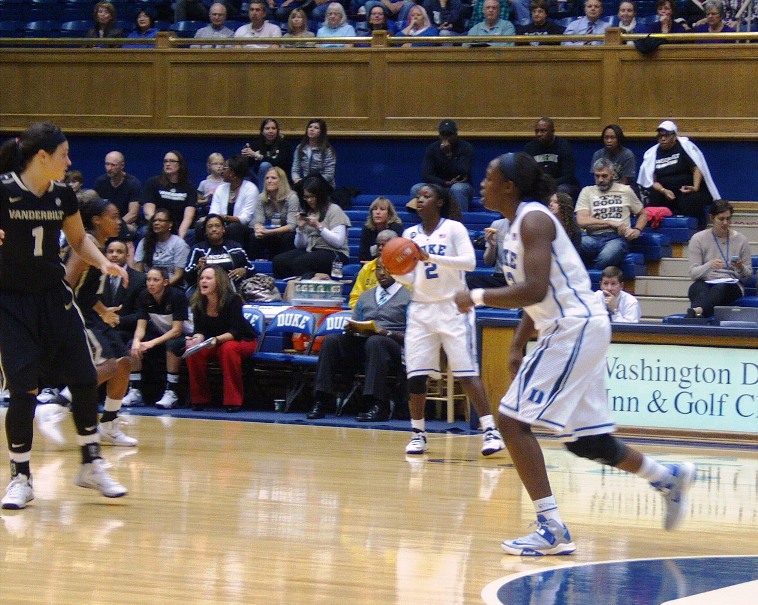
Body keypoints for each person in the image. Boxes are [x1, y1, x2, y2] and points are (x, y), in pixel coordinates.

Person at [454, 151, 696, 555]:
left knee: (510, 422)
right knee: (587, 442)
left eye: (490, 176)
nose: (482, 183)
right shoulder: (516, 225)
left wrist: (475, 296)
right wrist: (516, 344)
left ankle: (551, 529)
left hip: (574, 327)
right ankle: (666, 477)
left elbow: (533, 290)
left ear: (509, 186)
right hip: (571, 327)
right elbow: (540, 294)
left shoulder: (533, 220)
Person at [0, 122, 129, 509]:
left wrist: (103, 262)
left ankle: (90, 463)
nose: (69, 161)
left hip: (55, 299)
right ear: (42, 157)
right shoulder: (4, 190)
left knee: (85, 377)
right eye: (64, 154)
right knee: (24, 391)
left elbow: (77, 239)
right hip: (11, 303)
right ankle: (21, 477)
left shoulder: (62, 195)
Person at [390, 184, 505, 457]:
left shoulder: (454, 229)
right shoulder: (409, 234)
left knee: (466, 372)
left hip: (453, 307)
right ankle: (418, 433)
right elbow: (410, 277)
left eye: (426, 196)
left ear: (439, 201)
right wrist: (394, 269)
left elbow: (469, 263)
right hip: (421, 310)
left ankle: (490, 431)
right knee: (415, 375)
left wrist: (431, 256)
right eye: (418, 196)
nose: (420, 200)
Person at [36, 198, 139, 448]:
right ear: (96, 220)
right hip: (73, 315)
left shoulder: (99, 246)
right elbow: (66, 284)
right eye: (113, 217)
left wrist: (103, 311)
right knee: (109, 366)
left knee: (125, 363)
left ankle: (109, 424)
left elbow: (87, 292)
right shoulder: (86, 244)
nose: (118, 221)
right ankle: (54, 408)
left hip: (91, 315)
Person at [308, 259, 412, 421]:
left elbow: (413, 336)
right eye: (378, 269)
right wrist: (352, 329)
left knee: (376, 341)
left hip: (394, 346)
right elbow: (356, 323)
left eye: (387, 269)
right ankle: (321, 399)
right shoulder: (366, 296)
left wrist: (385, 332)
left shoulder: (409, 297)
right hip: (365, 343)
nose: (382, 273)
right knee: (331, 341)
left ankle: (377, 404)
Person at [185, 266, 258, 412]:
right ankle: (199, 399)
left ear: (219, 281)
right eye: (201, 278)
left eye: (208, 278)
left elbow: (236, 331)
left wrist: (216, 340)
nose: (203, 281)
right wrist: (195, 340)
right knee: (193, 351)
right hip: (213, 342)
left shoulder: (233, 299)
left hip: (243, 340)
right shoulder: (198, 302)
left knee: (228, 348)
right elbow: (200, 331)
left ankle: (233, 400)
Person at [124, 267, 191, 409]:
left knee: (172, 345)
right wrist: (137, 341)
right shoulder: (144, 295)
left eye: (155, 280)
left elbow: (177, 330)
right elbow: (141, 326)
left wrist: (151, 343)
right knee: (132, 345)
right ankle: (135, 391)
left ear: (165, 282)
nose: (151, 283)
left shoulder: (177, 296)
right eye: (148, 280)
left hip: (185, 336)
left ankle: (172, 392)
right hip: (160, 334)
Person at [638, 120, 719, 229]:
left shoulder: (684, 148)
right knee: (653, 195)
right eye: (660, 136)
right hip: (665, 191)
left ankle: (696, 229)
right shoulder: (653, 153)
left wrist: (695, 187)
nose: (663, 139)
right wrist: (663, 190)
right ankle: (657, 228)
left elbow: (697, 169)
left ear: (674, 136)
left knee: (693, 199)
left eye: (666, 135)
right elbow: (652, 181)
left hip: (685, 190)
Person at [272, 175, 351, 278]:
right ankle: (290, 283)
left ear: (320, 195)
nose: (309, 200)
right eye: (306, 197)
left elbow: (338, 242)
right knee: (279, 261)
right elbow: (300, 245)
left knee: (301, 262)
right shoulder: (309, 212)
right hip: (312, 250)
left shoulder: (334, 210)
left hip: (335, 252)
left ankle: (313, 280)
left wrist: (319, 226)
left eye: (312, 196)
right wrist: (300, 229)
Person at [576, 158, 647, 270]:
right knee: (573, 244)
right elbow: (581, 220)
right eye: (597, 176)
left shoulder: (625, 190)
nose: (600, 180)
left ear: (613, 175)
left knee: (608, 256)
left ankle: (594, 275)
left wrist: (637, 230)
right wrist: (610, 223)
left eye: (604, 176)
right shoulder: (587, 191)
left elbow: (643, 214)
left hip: (617, 238)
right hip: (592, 237)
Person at [686, 200, 752, 318]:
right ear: (712, 218)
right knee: (696, 289)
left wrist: (740, 267)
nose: (725, 223)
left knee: (721, 289)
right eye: (721, 219)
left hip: (731, 283)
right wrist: (709, 265)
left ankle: (697, 311)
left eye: (728, 219)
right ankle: (698, 315)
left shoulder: (741, 240)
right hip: (706, 281)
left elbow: (747, 277)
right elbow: (693, 274)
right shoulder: (698, 239)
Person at [410, 120, 474, 212]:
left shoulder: (466, 147)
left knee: (458, 189)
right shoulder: (432, 148)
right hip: (439, 185)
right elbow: (426, 175)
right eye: (443, 135)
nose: (446, 138)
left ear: (456, 134)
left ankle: (460, 219)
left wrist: (449, 155)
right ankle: (421, 219)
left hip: (461, 185)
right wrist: (445, 183)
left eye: (449, 135)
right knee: (416, 188)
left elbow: (463, 171)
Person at [185, 213, 256, 291]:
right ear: (205, 231)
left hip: (232, 289)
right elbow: (187, 275)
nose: (214, 229)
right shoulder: (198, 249)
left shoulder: (235, 247)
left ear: (223, 229)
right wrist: (197, 268)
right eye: (210, 226)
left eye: (217, 226)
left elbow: (251, 268)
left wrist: (244, 271)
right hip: (204, 290)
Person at [142, 150, 197, 241]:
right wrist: (159, 225)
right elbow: (149, 213)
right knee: (144, 230)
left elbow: (188, 216)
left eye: (172, 161)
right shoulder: (152, 183)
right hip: (158, 225)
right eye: (165, 161)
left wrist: (180, 236)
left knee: (191, 234)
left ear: (180, 165)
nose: (167, 164)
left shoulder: (189, 187)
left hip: (179, 226)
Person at [101, 238, 147, 344]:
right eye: (110, 251)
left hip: (126, 331)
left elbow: (142, 313)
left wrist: (118, 320)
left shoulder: (140, 279)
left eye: (119, 252)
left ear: (127, 255)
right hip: (101, 327)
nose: (114, 255)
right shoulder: (98, 277)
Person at [207, 155, 259, 246]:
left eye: (225, 168)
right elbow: (213, 212)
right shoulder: (221, 188)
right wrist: (218, 222)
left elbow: (245, 219)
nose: (222, 170)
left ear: (232, 173)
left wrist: (224, 218)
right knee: (201, 225)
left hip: (244, 228)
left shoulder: (251, 189)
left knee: (233, 228)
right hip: (221, 225)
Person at [522, 117, 579, 200]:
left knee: (563, 190)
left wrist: (549, 184)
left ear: (552, 131)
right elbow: (527, 173)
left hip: (560, 184)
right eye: (537, 131)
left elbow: (568, 176)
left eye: (543, 131)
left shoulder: (564, 146)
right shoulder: (529, 147)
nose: (539, 134)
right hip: (538, 185)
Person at [250, 166, 299, 260]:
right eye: (267, 178)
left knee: (288, 237)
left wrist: (269, 232)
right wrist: (258, 229)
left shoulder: (292, 197)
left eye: (273, 178)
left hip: (286, 232)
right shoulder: (261, 198)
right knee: (254, 236)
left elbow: (292, 225)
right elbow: (258, 221)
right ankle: (255, 265)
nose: (269, 181)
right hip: (270, 231)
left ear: (281, 181)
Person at [93, 151, 143, 241]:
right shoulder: (100, 182)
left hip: (126, 222)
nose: (109, 168)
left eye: (113, 165)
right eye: (107, 164)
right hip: (106, 222)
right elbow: (97, 209)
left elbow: (133, 214)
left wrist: (116, 224)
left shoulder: (133, 184)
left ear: (122, 166)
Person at [135, 209, 191, 287]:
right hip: (147, 285)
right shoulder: (144, 242)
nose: (156, 223)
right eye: (154, 221)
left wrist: (161, 287)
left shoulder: (179, 244)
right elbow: (138, 270)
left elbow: (178, 274)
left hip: (171, 286)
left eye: (161, 220)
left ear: (170, 224)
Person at [349, 229, 404, 307]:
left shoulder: (404, 269)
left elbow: (408, 298)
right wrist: (365, 310)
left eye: (384, 245)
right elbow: (355, 298)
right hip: (367, 311)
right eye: (378, 245)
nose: (380, 248)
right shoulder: (367, 268)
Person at [241, 118, 294, 188]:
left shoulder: (284, 144)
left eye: (273, 128)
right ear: (262, 131)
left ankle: (263, 193)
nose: (271, 131)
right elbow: (248, 165)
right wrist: (245, 157)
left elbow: (281, 164)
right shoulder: (255, 145)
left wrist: (259, 156)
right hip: (259, 178)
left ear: (277, 131)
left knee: (265, 165)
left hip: (281, 178)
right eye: (267, 128)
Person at [291, 118, 337, 189]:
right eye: (310, 127)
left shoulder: (327, 150)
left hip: (323, 185)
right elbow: (295, 170)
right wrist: (296, 179)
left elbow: (329, 175)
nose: (312, 129)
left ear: (321, 132)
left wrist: (312, 183)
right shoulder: (300, 147)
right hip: (305, 184)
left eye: (316, 128)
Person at [465, 217, 510, 289]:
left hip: (520, 277)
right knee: (470, 281)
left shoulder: (527, 223)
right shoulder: (497, 224)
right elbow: (488, 262)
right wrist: (492, 246)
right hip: (500, 275)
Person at [359, 197, 404, 263]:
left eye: (382, 209)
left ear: (389, 213)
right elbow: (363, 257)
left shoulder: (396, 228)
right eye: (375, 209)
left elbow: (397, 254)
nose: (377, 212)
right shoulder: (367, 229)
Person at [196, 152, 226, 224]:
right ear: (209, 165)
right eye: (215, 164)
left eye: (221, 164)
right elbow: (197, 201)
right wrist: (206, 200)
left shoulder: (226, 183)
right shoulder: (204, 183)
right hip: (206, 212)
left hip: (222, 212)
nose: (219, 166)